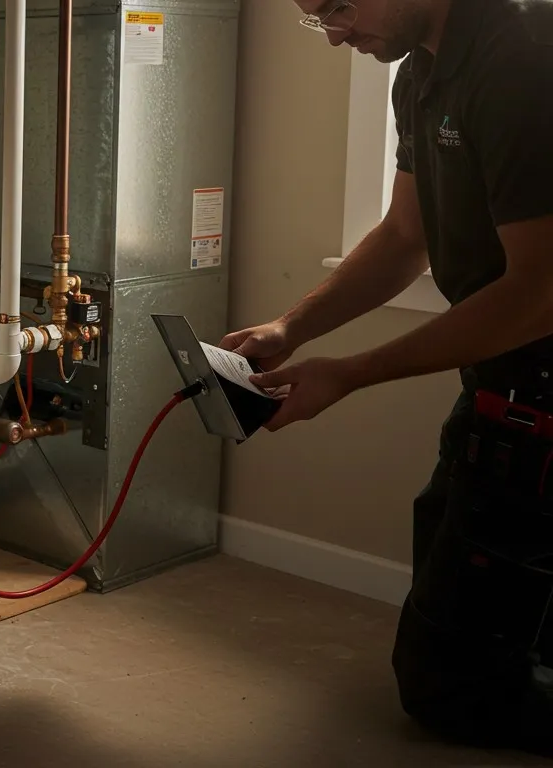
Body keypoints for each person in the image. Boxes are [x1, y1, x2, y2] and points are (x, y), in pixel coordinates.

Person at [221, 0, 553, 754]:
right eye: (317, 18)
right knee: (458, 595)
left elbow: (538, 293)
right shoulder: (420, 75)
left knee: (450, 687)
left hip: (540, 385)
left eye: (338, 6)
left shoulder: (525, 60)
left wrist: (349, 373)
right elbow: (406, 235)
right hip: (499, 383)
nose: (335, 33)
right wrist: (291, 329)